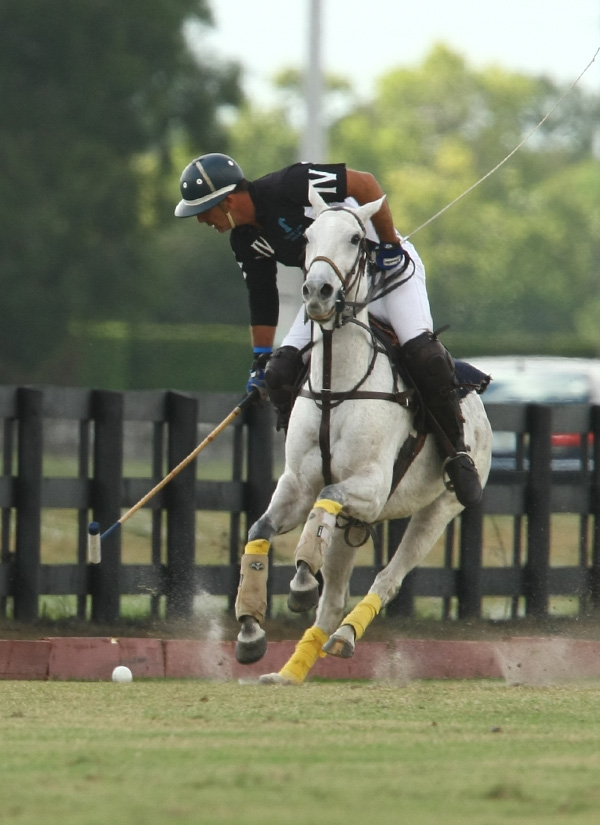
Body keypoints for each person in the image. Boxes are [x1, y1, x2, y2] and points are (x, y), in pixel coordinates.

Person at [174, 153, 482, 507]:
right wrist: (260, 360)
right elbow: (262, 297)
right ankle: (310, 465)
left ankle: (457, 453)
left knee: (424, 355)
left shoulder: (288, 186)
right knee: (280, 372)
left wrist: (390, 245)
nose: (201, 220)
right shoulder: (245, 241)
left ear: (227, 200)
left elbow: (365, 183)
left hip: (387, 271)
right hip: (331, 291)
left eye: (204, 210)